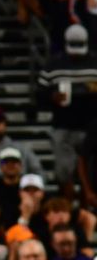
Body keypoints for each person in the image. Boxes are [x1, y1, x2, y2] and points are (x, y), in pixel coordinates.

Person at [37, 24, 97, 199]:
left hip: (92, 126)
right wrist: (51, 97)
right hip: (63, 125)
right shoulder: (53, 65)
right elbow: (38, 93)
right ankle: (68, 206)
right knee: (64, 171)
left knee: (92, 170)